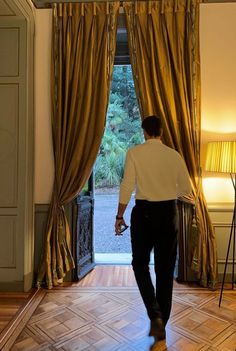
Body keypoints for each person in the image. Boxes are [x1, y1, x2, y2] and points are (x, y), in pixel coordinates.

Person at [115, 115, 192, 341]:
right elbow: (185, 188)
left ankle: (154, 314)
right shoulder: (174, 155)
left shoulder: (135, 153)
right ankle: (162, 323)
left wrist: (119, 215)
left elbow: (127, 186)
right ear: (161, 132)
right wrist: (166, 190)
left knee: (139, 264)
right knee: (165, 270)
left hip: (144, 213)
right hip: (169, 213)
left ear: (145, 132)